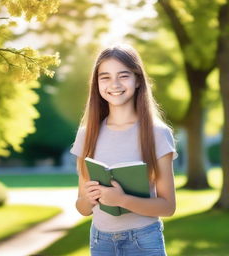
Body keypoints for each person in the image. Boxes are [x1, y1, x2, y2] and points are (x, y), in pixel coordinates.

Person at [70, 43, 178, 256]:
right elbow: (82, 208)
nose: (114, 84)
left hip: (144, 239)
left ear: (138, 80)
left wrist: (121, 200)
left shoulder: (157, 133)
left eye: (123, 75)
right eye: (105, 77)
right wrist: (88, 198)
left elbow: (168, 207)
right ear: (96, 83)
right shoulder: (86, 134)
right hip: (100, 241)